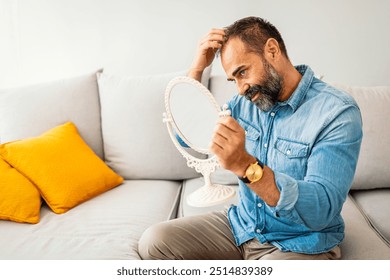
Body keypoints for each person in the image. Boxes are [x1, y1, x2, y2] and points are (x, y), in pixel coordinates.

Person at [138, 16, 362, 260]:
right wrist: (197, 70)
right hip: (241, 227)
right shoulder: (242, 105)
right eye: (233, 79)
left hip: (297, 241)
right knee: (155, 242)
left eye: (242, 72)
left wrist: (246, 166)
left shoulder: (335, 112)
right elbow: (189, 139)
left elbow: (321, 209)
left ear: (272, 50)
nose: (240, 88)